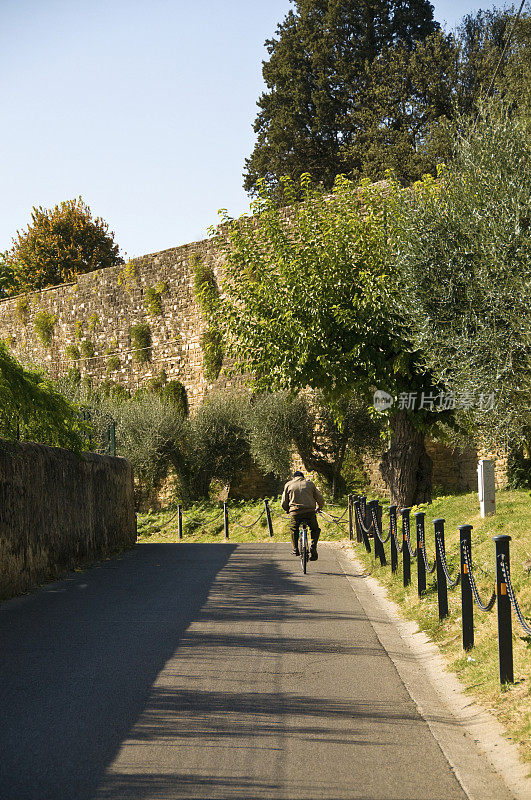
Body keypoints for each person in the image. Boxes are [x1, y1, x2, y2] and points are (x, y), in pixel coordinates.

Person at [281, 471, 325, 560]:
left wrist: (287, 510)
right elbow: (320, 498)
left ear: (294, 477)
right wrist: (319, 507)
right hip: (310, 512)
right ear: (303, 477)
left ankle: (295, 549)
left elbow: (284, 502)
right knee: (315, 529)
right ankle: (313, 546)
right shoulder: (310, 484)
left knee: (294, 528)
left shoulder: (288, 485)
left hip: (295, 512)